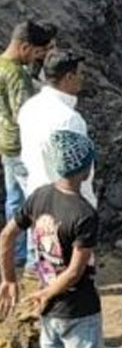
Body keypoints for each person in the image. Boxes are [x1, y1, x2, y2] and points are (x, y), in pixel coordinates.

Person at [0, 130, 103, 348]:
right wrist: (47, 294)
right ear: (87, 170)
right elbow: (74, 272)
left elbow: (6, 235)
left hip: (50, 309)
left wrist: (9, 279)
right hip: (80, 308)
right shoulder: (85, 215)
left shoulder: (40, 196)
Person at [0, 21, 56, 270]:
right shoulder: (16, 75)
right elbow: (24, 115)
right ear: (24, 47)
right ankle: (36, 261)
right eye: (36, 52)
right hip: (22, 147)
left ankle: (17, 254)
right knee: (35, 203)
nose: (38, 58)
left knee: (13, 202)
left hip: (5, 145)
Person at [18, 50, 96, 208]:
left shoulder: (29, 107)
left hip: (36, 199)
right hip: (66, 208)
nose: (82, 78)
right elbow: (76, 174)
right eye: (80, 73)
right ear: (69, 77)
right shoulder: (70, 120)